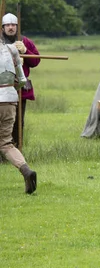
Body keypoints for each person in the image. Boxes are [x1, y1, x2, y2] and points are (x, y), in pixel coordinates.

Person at [0, 40, 36, 193]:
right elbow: (22, 80)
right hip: (9, 100)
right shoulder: (11, 49)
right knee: (6, 143)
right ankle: (26, 170)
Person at [1, 13, 40, 149]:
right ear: (3, 27)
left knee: (18, 122)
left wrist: (25, 51)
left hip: (20, 88)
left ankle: (16, 150)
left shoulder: (25, 41)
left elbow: (35, 61)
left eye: (13, 25)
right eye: (8, 25)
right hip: (1, 87)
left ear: (17, 26)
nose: (11, 27)